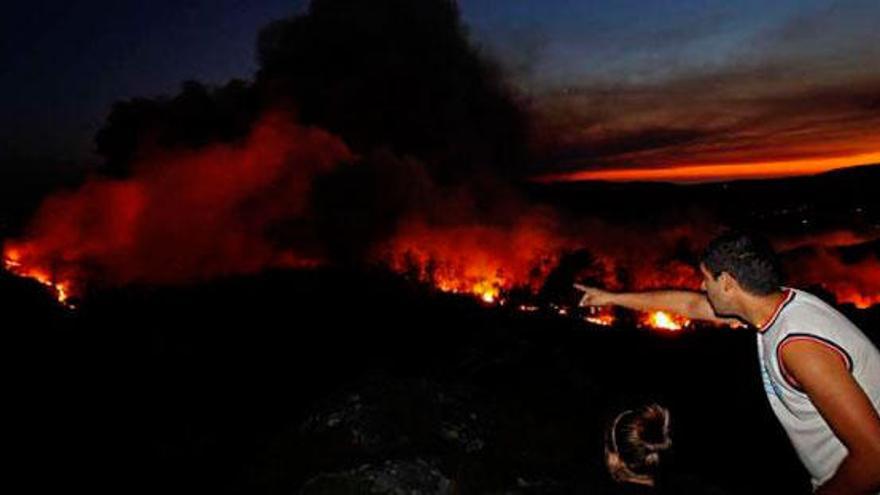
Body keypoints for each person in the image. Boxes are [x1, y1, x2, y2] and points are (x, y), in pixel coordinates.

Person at [576, 231, 880, 494]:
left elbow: (875, 458)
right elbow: (691, 304)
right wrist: (611, 298)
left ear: (727, 283)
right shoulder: (777, 304)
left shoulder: (800, 346)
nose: (703, 287)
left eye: (706, 279)